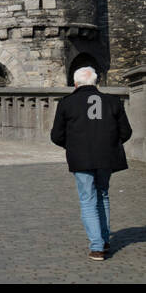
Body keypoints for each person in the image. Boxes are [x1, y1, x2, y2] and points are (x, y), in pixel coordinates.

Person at [50, 66, 133, 261]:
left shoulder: (66, 103)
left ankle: (97, 247)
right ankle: (104, 240)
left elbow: (56, 136)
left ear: (76, 83)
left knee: (87, 199)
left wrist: (72, 146)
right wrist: (111, 144)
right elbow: (126, 132)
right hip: (107, 157)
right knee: (102, 195)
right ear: (96, 82)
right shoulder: (113, 101)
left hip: (81, 158)